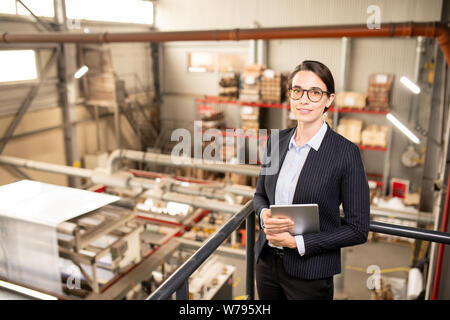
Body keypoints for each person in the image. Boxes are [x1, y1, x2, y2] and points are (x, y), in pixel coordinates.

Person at [253, 60, 370, 300]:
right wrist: (263, 214)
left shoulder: (346, 153)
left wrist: (298, 243)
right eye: (297, 91)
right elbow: (259, 196)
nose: (303, 99)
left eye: (315, 92)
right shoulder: (276, 142)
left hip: (310, 274)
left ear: (329, 100)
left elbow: (358, 229)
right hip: (267, 263)